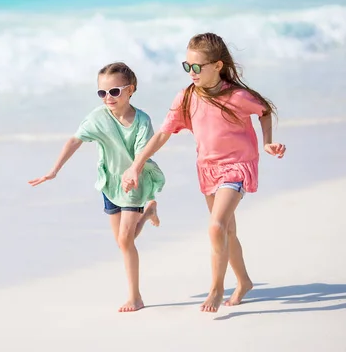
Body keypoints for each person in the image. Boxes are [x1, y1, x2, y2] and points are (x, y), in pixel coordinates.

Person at [122, 33, 286, 313]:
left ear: (217, 66)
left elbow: (265, 111)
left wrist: (268, 141)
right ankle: (244, 281)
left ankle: (217, 288)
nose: (192, 73)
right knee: (227, 231)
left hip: (237, 166)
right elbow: (163, 134)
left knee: (215, 226)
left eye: (197, 67)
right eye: (187, 67)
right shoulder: (186, 97)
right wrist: (136, 165)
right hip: (208, 169)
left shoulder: (237, 95)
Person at [29, 62, 165, 312]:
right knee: (123, 241)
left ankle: (135, 297)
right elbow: (74, 140)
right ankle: (147, 214)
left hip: (134, 181)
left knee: (125, 241)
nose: (108, 98)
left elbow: (144, 152)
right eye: (102, 93)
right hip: (109, 183)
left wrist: (133, 170)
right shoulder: (97, 117)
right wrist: (54, 170)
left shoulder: (142, 120)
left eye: (114, 91)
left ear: (130, 89)